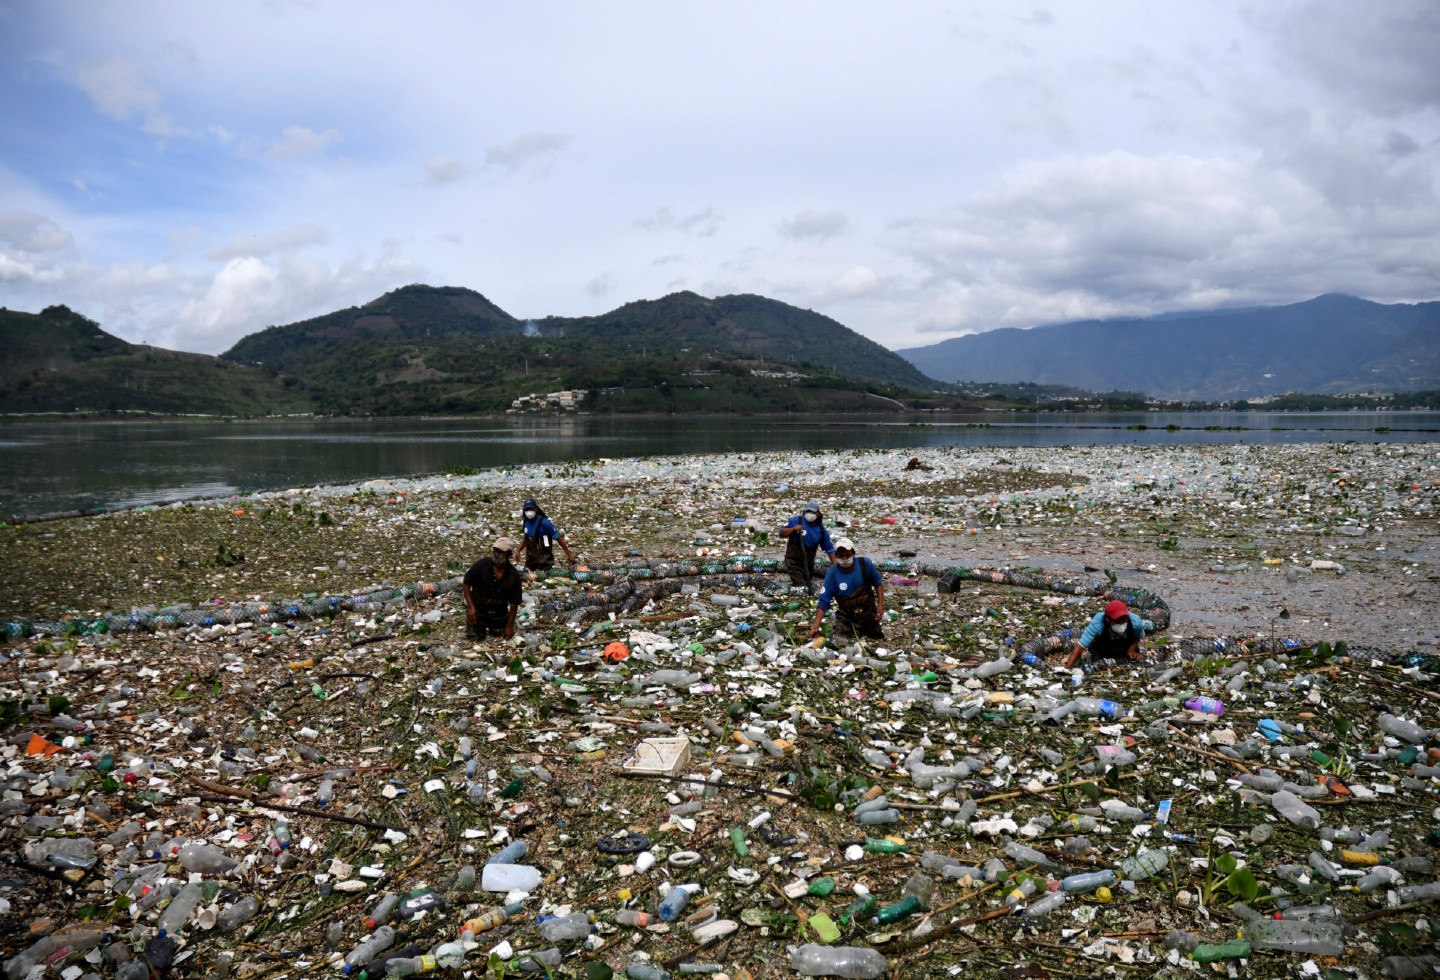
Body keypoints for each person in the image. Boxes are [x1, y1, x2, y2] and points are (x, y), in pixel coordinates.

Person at [807, 537, 885, 641]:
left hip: (868, 613)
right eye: (841, 556)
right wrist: (816, 626)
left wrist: (880, 605)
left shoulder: (865, 564)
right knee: (842, 641)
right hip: (847, 617)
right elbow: (823, 602)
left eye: (847, 555)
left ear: (853, 553)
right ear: (836, 556)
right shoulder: (832, 574)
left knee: (876, 638)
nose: (844, 559)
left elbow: (878, 584)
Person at [463, 536, 523, 640]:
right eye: (496, 550)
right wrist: (471, 607)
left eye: (501, 552)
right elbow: (466, 583)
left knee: (503, 637)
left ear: (508, 554)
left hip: (499, 615)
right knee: (474, 639)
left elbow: (514, 604)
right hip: (478, 613)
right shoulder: (482, 565)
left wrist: (509, 626)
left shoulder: (513, 575)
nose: (497, 554)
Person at [1063, 599, 1146, 668]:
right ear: (1107, 619)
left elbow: (1138, 636)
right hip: (1103, 650)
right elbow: (1081, 646)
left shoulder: (1135, 622)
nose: (1121, 623)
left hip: (1125, 648)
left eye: (1124, 620)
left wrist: (1131, 650)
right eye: (1117, 620)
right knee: (1098, 666)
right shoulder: (1098, 623)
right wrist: (1068, 667)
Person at [778, 499, 835, 590]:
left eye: (812, 512)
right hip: (793, 561)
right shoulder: (796, 521)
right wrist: (793, 529)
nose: (809, 514)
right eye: (808, 511)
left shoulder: (821, 531)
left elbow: (830, 550)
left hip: (808, 564)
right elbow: (781, 533)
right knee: (801, 585)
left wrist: (837, 567)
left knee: (808, 583)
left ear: (818, 514)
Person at [517, 497, 577, 571]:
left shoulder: (545, 523)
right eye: (527, 510)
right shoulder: (526, 522)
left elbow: (558, 538)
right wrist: (518, 550)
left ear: (536, 509)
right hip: (530, 563)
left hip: (544, 563)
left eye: (531, 509)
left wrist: (569, 555)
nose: (529, 512)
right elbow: (526, 538)